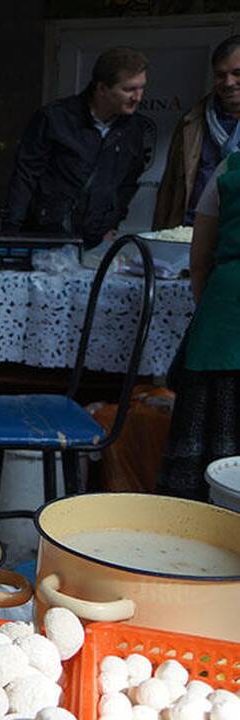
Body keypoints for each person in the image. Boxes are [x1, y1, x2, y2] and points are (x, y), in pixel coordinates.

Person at [1, 46, 155, 249]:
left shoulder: (135, 129)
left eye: (141, 87)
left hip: (95, 237)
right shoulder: (55, 118)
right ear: (101, 88)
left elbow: (127, 184)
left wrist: (113, 223)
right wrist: (10, 233)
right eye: (128, 89)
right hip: (45, 233)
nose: (138, 97)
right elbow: (25, 175)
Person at [161, 153, 240, 499]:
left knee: (204, 477)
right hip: (221, 328)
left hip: (222, 322)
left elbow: (199, 262)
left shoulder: (231, 168)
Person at [154, 37, 240, 229]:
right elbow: (168, 189)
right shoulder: (191, 123)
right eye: (220, 75)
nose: (228, 82)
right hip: (191, 232)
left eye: (237, 73)